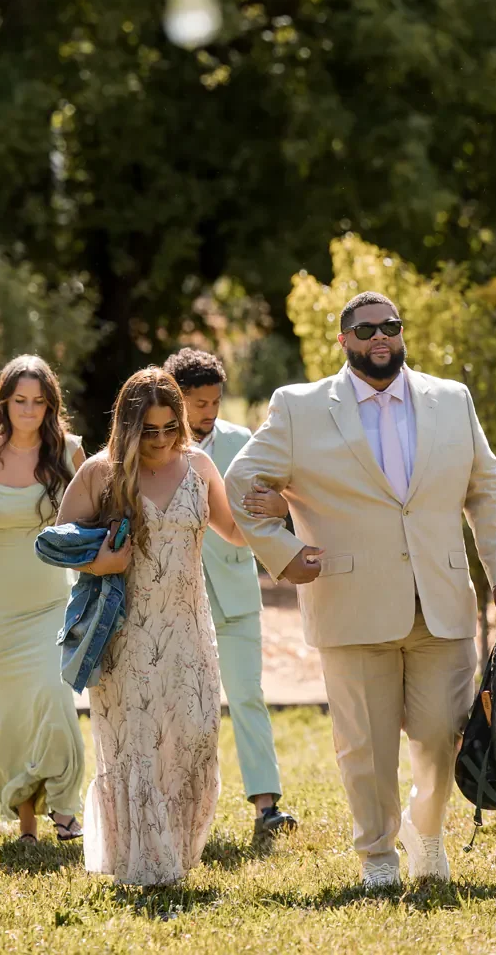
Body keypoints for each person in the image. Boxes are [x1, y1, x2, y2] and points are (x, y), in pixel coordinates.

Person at [227, 291, 496, 890]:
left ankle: (427, 830)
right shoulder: (300, 408)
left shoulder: (452, 400)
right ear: (343, 341)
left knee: (446, 733)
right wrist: (286, 555)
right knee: (364, 746)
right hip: (350, 602)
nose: (379, 338)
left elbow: (487, 489)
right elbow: (240, 486)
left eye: (389, 326)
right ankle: (377, 856)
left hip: (441, 600)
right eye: (364, 331)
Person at [55, 367, 251, 887]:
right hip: (126, 634)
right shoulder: (103, 472)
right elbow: (55, 541)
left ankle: (177, 853)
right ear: (128, 426)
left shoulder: (200, 465)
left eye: (171, 428)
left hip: (189, 629)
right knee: (137, 748)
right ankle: (145, 864)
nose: (162, 440)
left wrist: (280, 507)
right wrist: (100, 564)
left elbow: (232, 530)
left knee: (195, 736)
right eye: (151, 430)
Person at [0, 355, 87, 844]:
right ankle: (27, 824)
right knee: (18, 719)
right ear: (4, 401)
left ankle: (65, 808)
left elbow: (97, 511)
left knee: (54, 698)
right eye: (20, 400)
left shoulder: (68, 452)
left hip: (52, 600)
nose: (29, 410)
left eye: (38, 402)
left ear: (51, 406)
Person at [162, 347, 296, 842]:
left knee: (247, 696)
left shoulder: (245, 442)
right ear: (176, 397)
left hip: (237, 593)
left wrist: (279, 505)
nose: (209, 412)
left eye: (216, 401)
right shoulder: (154, 447)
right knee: (181, 704)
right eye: (199, 402)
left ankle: (267, 805)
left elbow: (285, 499)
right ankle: (179, 805)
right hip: (174, 598)